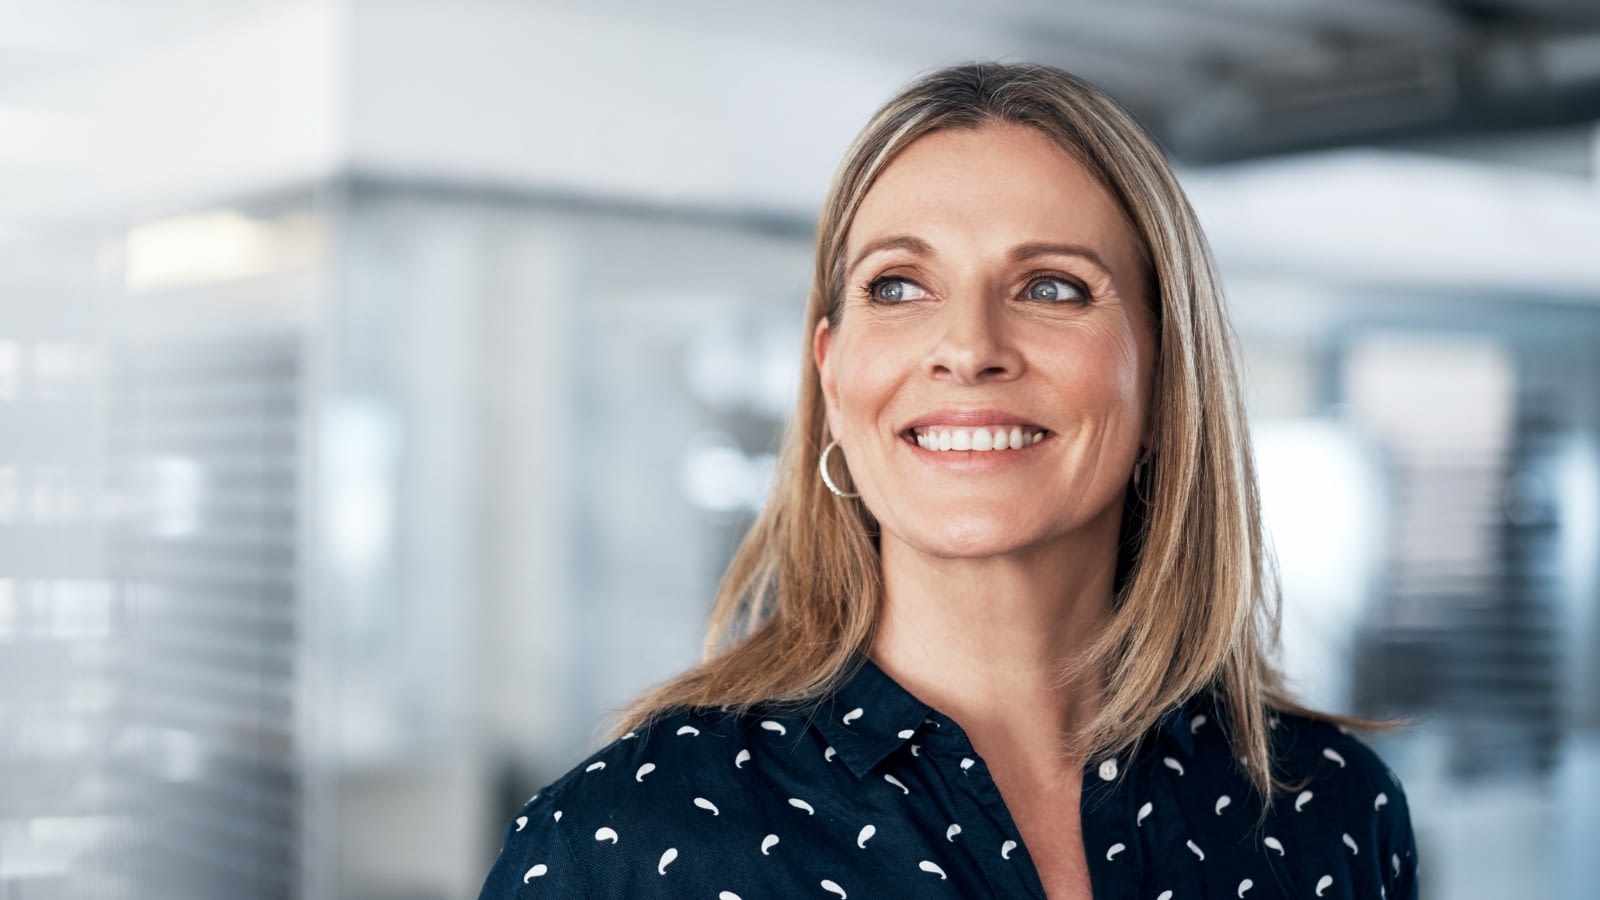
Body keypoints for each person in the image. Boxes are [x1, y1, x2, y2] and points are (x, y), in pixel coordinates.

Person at [478, 62, 1418, 899]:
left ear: (1167, 381)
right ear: (833, 379)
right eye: (898, 286)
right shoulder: (623, 848)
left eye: (1052, 287)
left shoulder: (1328, 809)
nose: (969, 348)